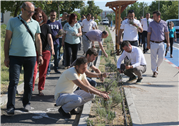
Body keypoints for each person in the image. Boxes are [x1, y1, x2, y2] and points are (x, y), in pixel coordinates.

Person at [4, 1, 43, 115]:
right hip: (15, 56)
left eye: (33, 12)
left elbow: (38, 40)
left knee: (29, 82)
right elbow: (7, 40)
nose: (31, 14)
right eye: (29, 11)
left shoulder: (35, 23)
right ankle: (10, 106)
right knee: (13, 81)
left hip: (31, 56)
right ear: (22, 10)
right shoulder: (12, 21)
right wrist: (6, 57)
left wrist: (40, 55)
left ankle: (27, 103)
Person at [32, 8, 54, 96]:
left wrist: (52, 47)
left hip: (45, 51)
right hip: (33, 51)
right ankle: (31, 88)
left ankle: (40, 89)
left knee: (43, 71)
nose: (40, 18)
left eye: (41, 16)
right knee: (33, 71)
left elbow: (49, 37)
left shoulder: (46, 26)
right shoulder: (31, 25)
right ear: (34, 16)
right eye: (38, 16)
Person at [147, 11, 170, 77]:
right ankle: (154, 71)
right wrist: (148, 44)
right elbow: (148, 34)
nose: (153, 17)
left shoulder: (164, 23)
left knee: (161, 58)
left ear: (158, 16)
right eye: (153, 16)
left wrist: (168, 42)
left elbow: (166, 33)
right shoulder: (151, 23)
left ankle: (156, 66)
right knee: (153, 58)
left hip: (161, 43)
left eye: (154, 16)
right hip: (153, 43)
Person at [47, 10, 62, 74]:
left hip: (56, 42)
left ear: (56, 16)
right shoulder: (47, 22)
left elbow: (61, 31)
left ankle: (56, 68)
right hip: (48, 43)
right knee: (48, 57)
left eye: (54, 15)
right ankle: (48, 70)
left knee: (57, 57)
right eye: (51, 15)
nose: (53, 16)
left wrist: (59, 35)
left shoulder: (58, 23)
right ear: (49, 15)